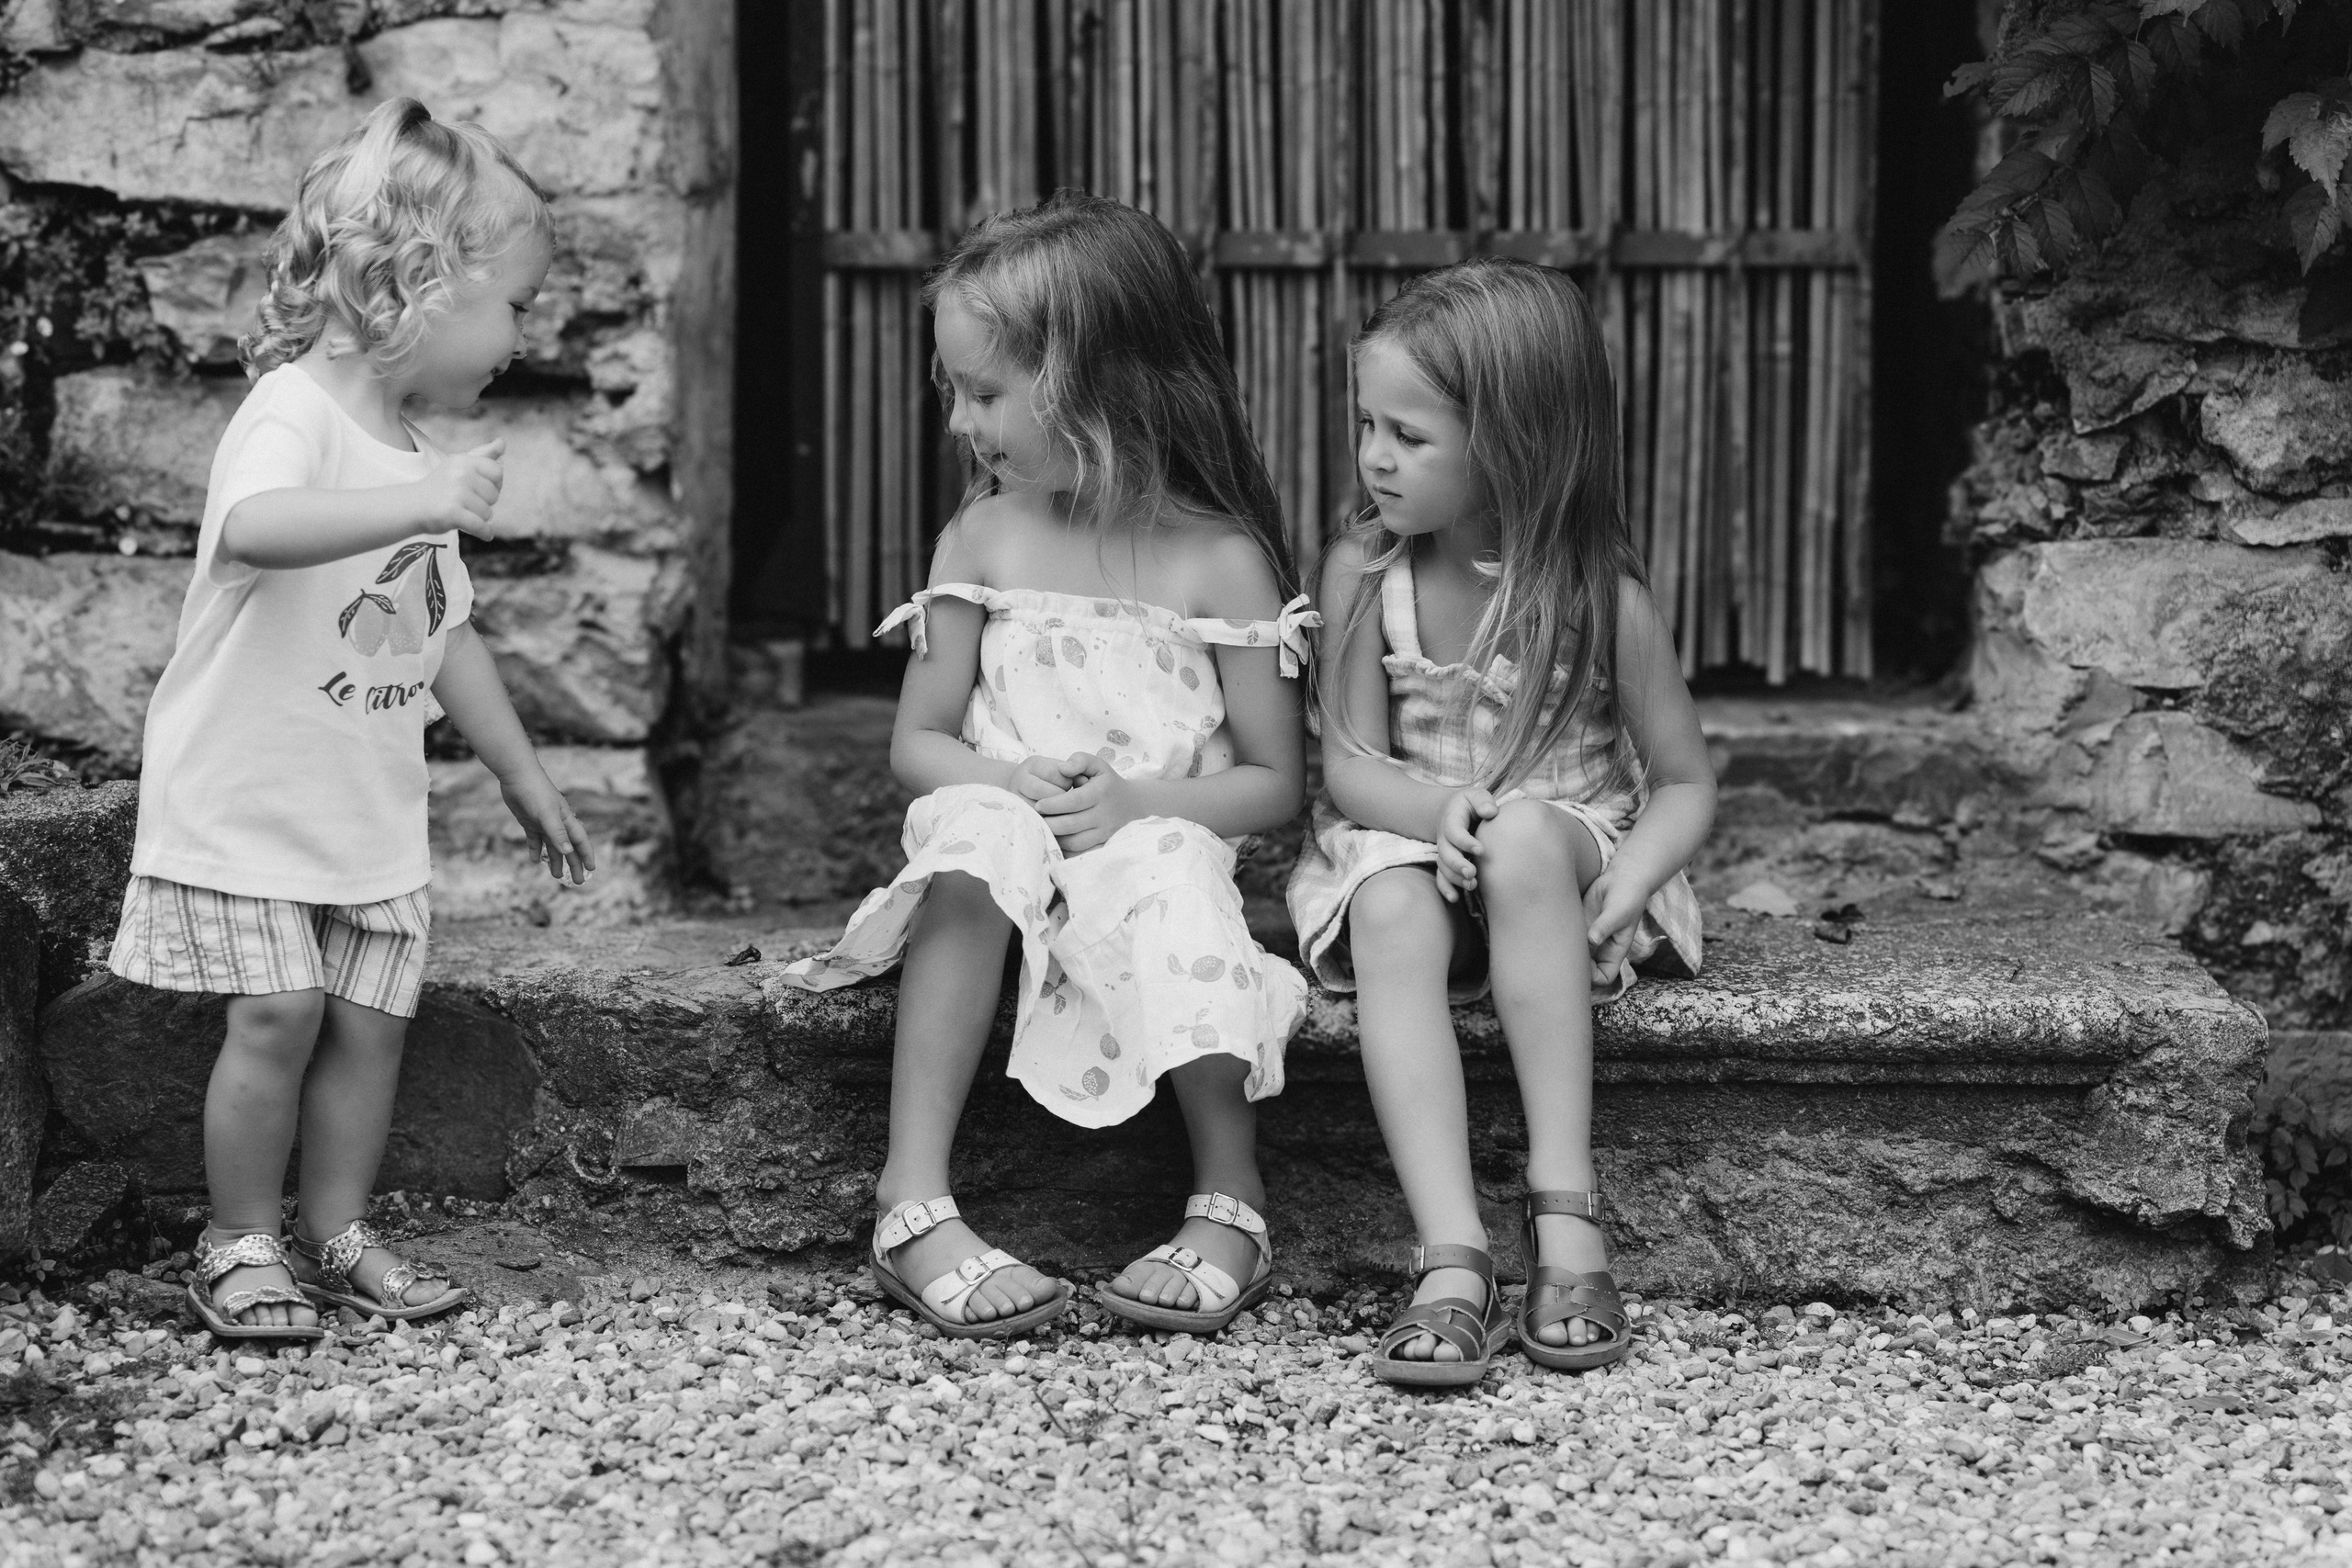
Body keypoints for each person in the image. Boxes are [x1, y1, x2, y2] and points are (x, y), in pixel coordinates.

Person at [780, 191, 1315, 1339]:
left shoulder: (1221, 562)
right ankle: (911, 1200)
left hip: (1148, 843)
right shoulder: (981, 539)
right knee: (979, 841)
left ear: (1097, 382)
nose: (962, 424)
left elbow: (1274, 782)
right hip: (1008, 837)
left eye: (984, 393)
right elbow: (916, 745)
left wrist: (1140, 803)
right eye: (956, 392)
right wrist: (1002, 783)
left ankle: (1229, 1197)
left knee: (1174, 861)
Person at [109, 98, 595, 1340]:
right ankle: (238, 1240)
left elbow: (446, 632)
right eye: (516, 304)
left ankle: (339, 1231)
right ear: (423, 282)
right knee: (277, 1016)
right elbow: (254, 529)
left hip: (364, 808)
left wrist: (524, 774)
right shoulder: (293, 412)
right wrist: (420, 495)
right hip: (251, 792)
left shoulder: (411, 443)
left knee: (372, 1027)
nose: (522, 335)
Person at [1287, 259, 1712, 1386]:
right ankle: (1452, 1253)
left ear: (1513, 439)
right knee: (1383, 903)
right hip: (1414, 844)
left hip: (1564, 859)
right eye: (1366, 424)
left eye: (1409, 437)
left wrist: (1625, 891)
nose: (1374, 456)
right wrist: (1438, 812)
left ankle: (1562, 1210)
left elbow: (1682, 783)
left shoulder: (1592, 595)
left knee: (1524, 833)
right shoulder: (1363, 573)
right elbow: (1347, 771)